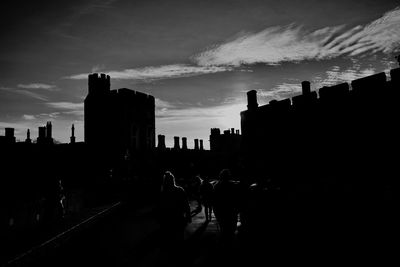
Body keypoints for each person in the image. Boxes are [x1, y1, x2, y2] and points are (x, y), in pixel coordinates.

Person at [158, 171, 192, 245]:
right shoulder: (179, 190)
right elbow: (186, 204)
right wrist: (188, 215)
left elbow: (160, 207)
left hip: (168, 220)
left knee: (170, 240)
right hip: (178, 218)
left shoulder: (163, 193)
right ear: (173, 180)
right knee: (179, 239)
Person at [213, 169, 241, 243]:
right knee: (231, 232)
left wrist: (216, 213)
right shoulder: (234, 186)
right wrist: (237, 211)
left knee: (223, 231)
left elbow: (215, 202)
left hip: (222, 213)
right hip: (231, 212)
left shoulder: (217, 186)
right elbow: (237, 200)